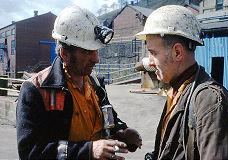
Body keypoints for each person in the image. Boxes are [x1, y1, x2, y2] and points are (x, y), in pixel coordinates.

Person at [16, 6, 142, 160]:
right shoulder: (36, 89)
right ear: (65, 54)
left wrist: (122, 132)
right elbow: (30, 152)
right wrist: (89, 151)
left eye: (96, 51)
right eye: (88, 51)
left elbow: (109, 118)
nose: (96, 59)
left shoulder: (96, 85)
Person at [136, 5, 228, 160]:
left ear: (177, 52)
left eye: (153, 53)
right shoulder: (176, 91)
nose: (149, 62)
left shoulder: (210, 102)